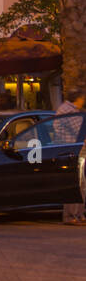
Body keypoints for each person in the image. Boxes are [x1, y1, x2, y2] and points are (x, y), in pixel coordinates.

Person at [55, 89, 86, 225]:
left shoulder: (65, 109)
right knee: (77, 184)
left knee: (81, 184)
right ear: (78, 99)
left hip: (73, 151)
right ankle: (72, 215)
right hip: (75, 152)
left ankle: (78, 214)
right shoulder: (71, 112)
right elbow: (81, 131)